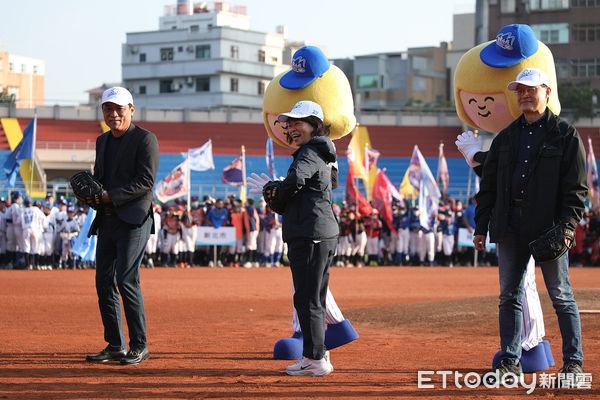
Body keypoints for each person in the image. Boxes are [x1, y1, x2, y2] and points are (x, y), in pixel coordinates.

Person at [473, 68, 587, 377]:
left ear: (547, 92)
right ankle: (510, 361)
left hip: (549, 228)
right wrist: (481, 226)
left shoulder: (565, 134)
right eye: (520, 89)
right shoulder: (506, 137)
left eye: (531, 89)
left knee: (561, 296)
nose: (525, 94)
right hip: (510, 227)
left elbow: (576, 189)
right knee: (509, 297)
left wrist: (566, 228)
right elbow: (490, 187)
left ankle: (573, 363)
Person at [260, 100, 338, 375]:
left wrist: (274, 195)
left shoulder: (308, 153)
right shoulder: (324, 152)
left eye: (297, 123)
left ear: (314, 125)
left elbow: (296, 182)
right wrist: (278, 189)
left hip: (310, 233)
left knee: (307, 298)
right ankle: (318, 354)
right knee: (313, 297)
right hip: (320, 231)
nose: (291, 129)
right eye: (288, 124)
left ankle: (315, 359)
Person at [85, 86, 159, 365]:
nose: (113, 114)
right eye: (108, 108)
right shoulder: (102, 141)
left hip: (135, 220)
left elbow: (145, 182)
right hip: (107, 219)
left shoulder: (145, 139)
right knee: (103, 282)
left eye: (119, 108)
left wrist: (107, 196)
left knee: (126, 280)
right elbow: (99, 177)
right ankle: (115, 344)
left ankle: (139, 344)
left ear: (131, 109)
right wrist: (92, 193)